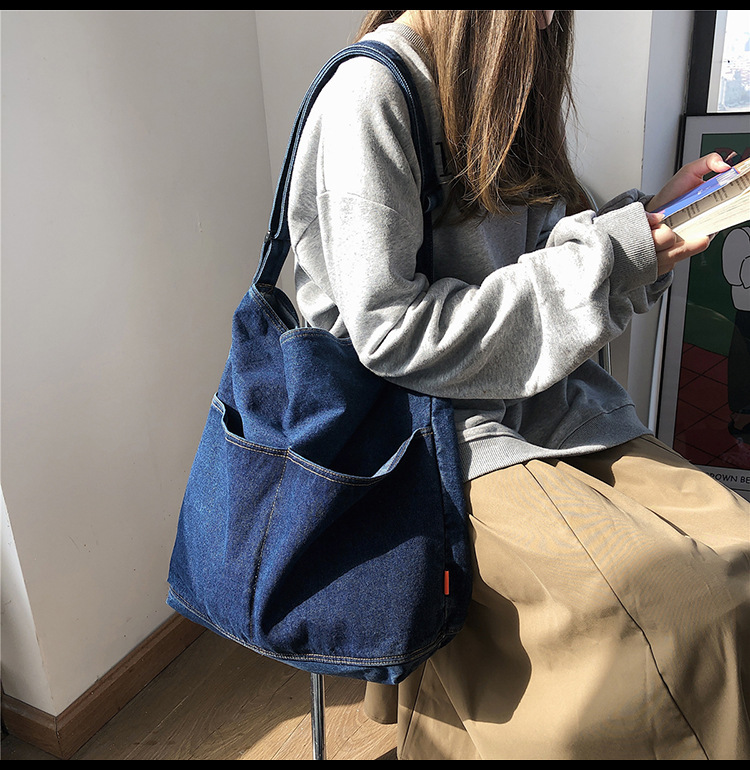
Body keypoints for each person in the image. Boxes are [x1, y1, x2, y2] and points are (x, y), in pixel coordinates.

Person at [287, 10, 750, 760]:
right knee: (692, 611)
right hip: (434, 435)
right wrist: (617, 256)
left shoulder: (498, 78)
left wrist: (648, 223)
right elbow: (392, 335)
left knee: (738, 552)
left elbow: (534, 254)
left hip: (545, 401)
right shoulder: (369, 93)